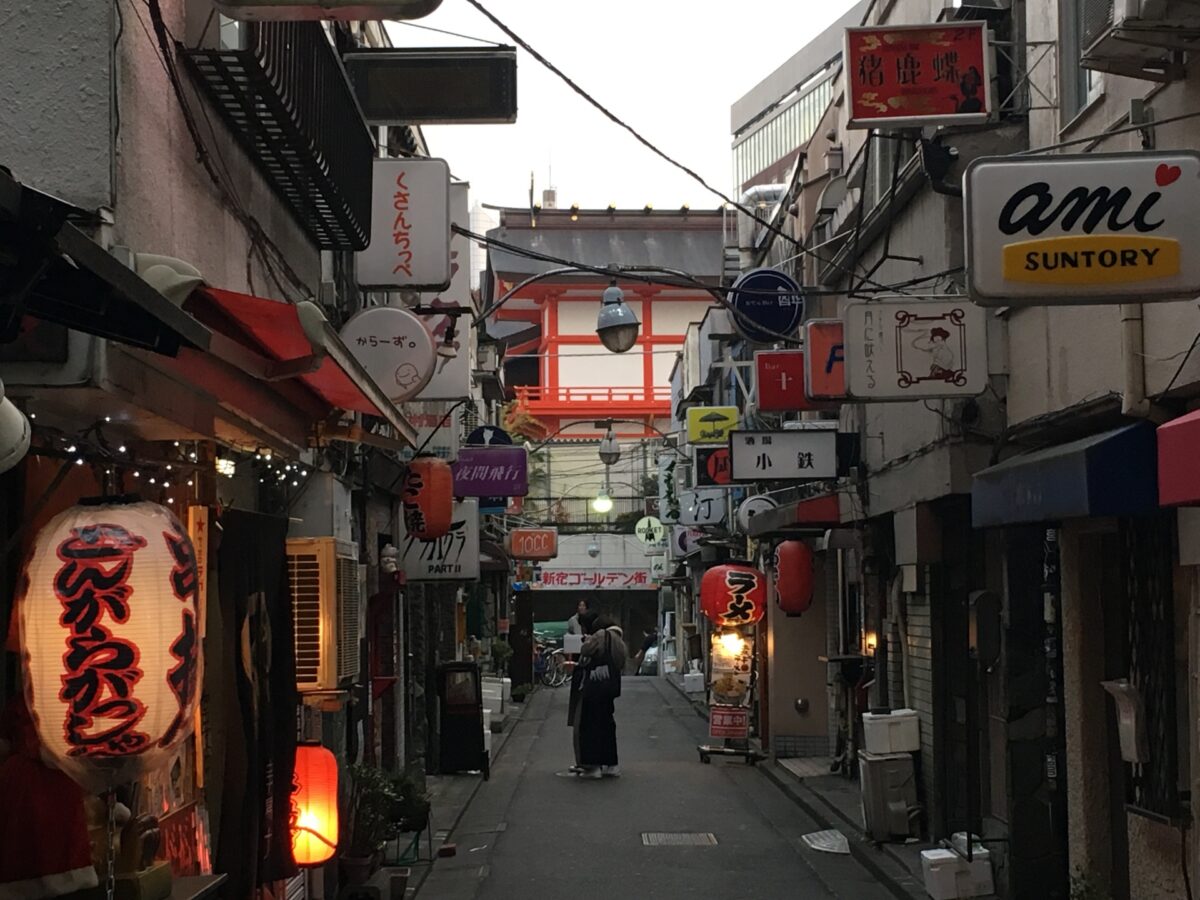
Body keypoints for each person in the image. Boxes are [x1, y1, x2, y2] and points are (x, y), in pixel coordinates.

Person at [574, 616, 627, 779]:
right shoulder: (620, 641)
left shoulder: (601, 635)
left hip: (595, 687)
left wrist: (588, 641)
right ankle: (611, 764)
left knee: (591, 725)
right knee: (607, 724)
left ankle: (593, 766)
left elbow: (585, 650)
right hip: (609, 688)